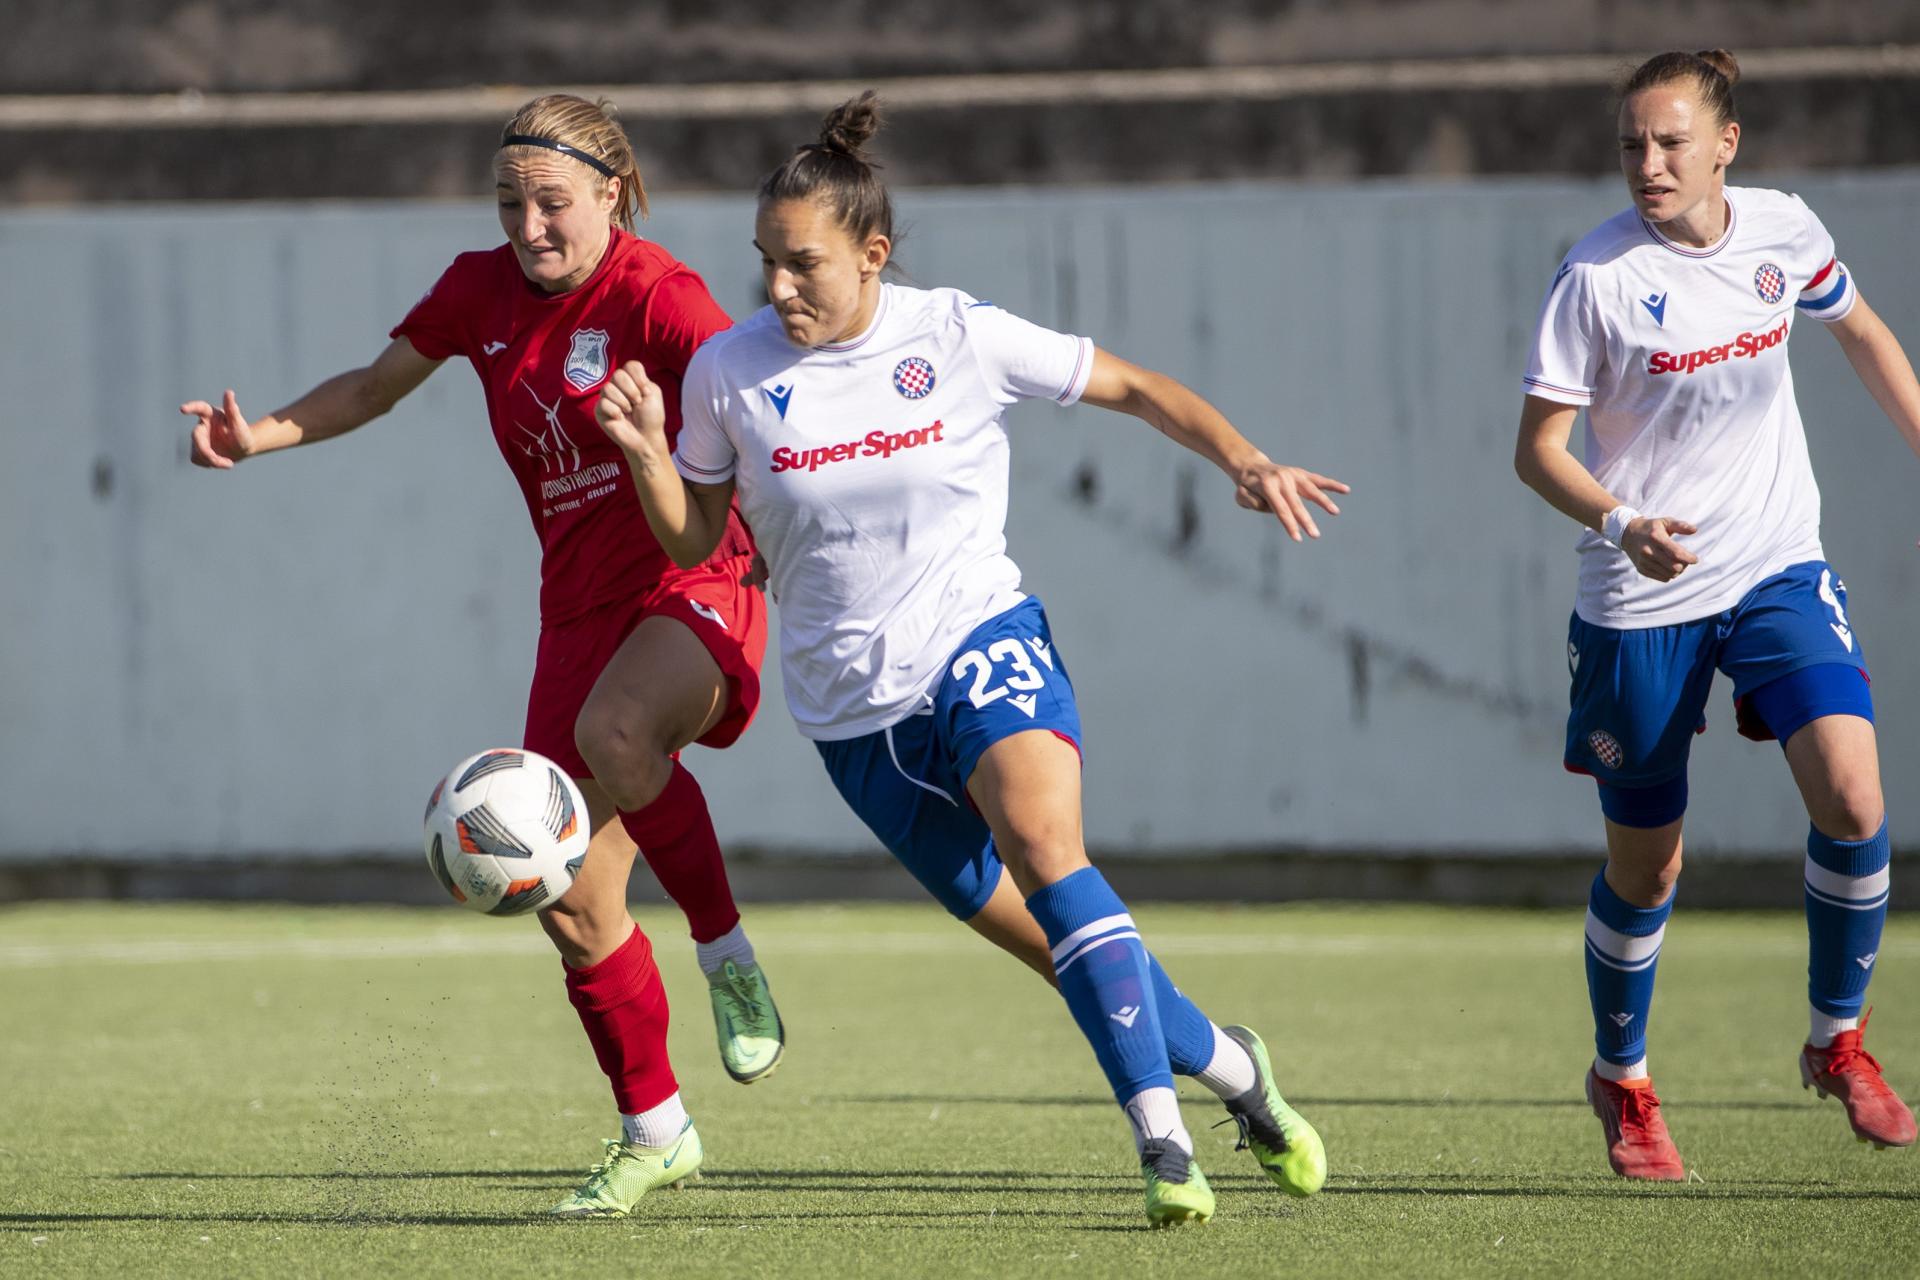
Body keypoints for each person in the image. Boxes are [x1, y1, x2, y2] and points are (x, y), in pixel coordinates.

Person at [595, 91, 1344, 1228]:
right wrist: (652, 452)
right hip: (852, 718)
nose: (779, 288)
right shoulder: (728, 373)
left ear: (874, 253)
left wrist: (1245, 458)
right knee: (1063, 948)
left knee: (1049, 847)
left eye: (804, 265)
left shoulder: (957, 334)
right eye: (765, 265)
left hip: (980, 637)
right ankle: (1237, 1071)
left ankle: (1162, 1139)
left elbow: (1135, 386)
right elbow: (696, 540)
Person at [179, 94, 788, 1216]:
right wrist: (257, 434)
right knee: (563, 891)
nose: (530, 226)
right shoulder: (477, 290)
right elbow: (373, 385)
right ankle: (656, 1127)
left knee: (618, 730)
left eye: (552, 202)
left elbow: (765, 406)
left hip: (693, 578)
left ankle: (726, 951)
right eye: (511, 202)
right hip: (577, 613)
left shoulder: (664, 297)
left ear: (613, 194)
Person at [1516, 50, 1920, 1180]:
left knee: (1854, 791)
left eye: (1672, 142)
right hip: (1641, 597)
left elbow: (1867, 335)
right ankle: (1624, 1076)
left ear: (1725, 144)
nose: (1649, 164)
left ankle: (1839, 1039)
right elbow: (1537, 452)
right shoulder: (1594, 277)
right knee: (1650, 870)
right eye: (1633, 145)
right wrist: (1622, 523)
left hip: (1775, 563)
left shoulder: (1785, 233)